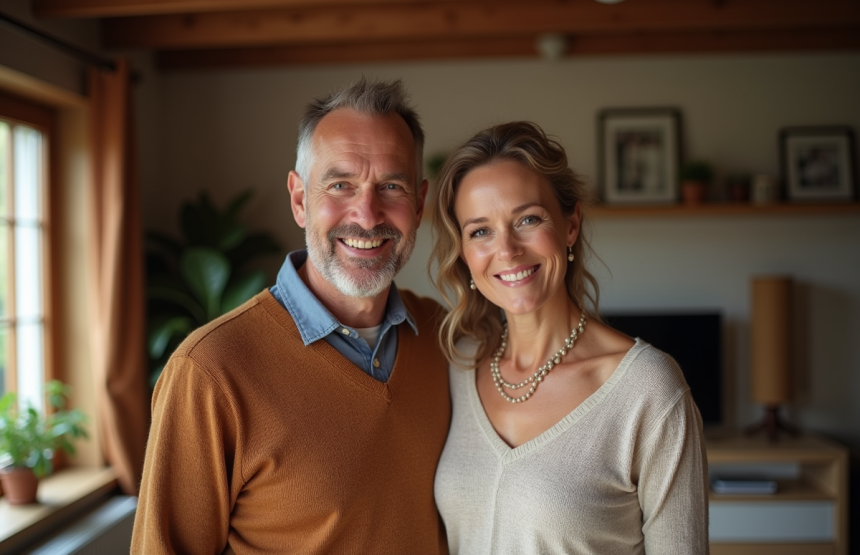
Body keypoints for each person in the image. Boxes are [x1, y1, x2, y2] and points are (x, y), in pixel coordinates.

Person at [132, 78, 451, 554]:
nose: (366, 215)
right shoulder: (210, 369)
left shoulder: (445, 338)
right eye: (340, 184)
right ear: (300, 200)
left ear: (420, 203)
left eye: (391, 186)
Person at [429, 121, 708, 554]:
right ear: (464, 253)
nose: (506, 250)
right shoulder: (457, 364)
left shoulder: (647, 388)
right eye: (480, 230)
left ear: (570, 225)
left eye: (528, 219)